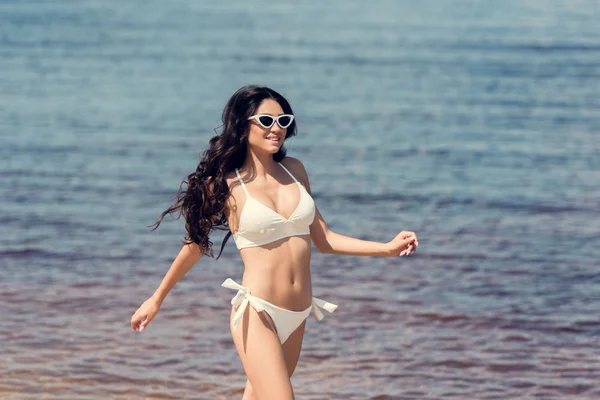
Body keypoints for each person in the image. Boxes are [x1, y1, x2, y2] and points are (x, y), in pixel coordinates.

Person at [130, 85, 419, 400]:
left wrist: (387, 248)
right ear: (243, 125)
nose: (276, 129)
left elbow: (324, 238)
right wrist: (156, 298)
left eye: (283, 121)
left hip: (297, 314)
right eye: (266, 120)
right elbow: (195, 246)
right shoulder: (226, 184)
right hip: (258, 312)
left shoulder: (294, 171)